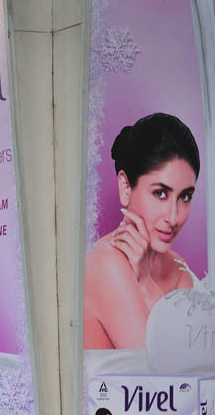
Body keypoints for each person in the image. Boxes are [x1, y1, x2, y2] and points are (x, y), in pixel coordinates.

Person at [84, 113, 201, 349]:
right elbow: (157, 374)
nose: (173, 217)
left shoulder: (178, 269)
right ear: (126, 187)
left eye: (185, 197)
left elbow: (193, 364)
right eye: (160, 193)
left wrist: (146, 283)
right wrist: (145, 283)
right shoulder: (106, 262)